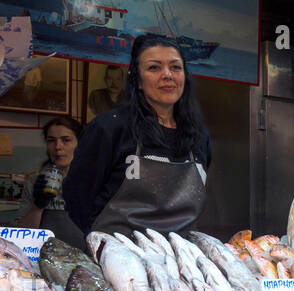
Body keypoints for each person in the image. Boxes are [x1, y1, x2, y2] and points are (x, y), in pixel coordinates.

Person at [63, 34, 212, 240]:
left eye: (176, 67)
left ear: (185, 77)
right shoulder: (110, 128)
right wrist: (104, 244)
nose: (167, 75)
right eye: (154, 67)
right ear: (138, 80)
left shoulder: (199, 134)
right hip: (121, 259)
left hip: (180, 258)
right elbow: (77, 197)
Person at [17, 116, 84, 246]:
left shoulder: (94, 181)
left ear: (80, 143)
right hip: (46, 255)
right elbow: (22, 234)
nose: (58, 147)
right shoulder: (34, 182)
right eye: (51, 141)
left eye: (66, 140)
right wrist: (38, 206)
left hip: (84, 257)